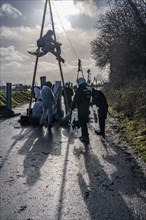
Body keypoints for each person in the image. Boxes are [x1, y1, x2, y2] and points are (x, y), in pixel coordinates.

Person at [71, 77, 92, 144]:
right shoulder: (87, 90)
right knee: (84, 123)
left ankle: (85, 138)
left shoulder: (80, 90)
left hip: (81, 109)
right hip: (86, 108)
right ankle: (84, 135)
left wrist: (72, 107)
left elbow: (75, 99)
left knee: (82, 123)